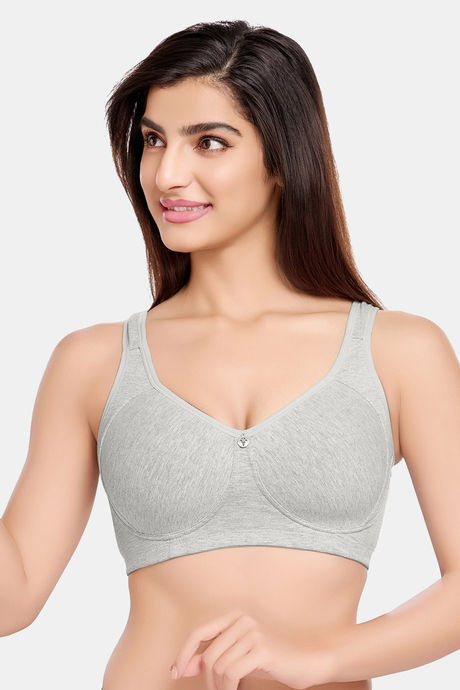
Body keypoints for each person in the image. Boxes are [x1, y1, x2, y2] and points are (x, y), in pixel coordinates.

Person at [1, 18, 459, 690]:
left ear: (282, 158)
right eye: (153, 140)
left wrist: (324, 657)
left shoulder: (401, 353)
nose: (167, 173)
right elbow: (14, 597)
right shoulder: (93, 363)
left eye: (209, 142)